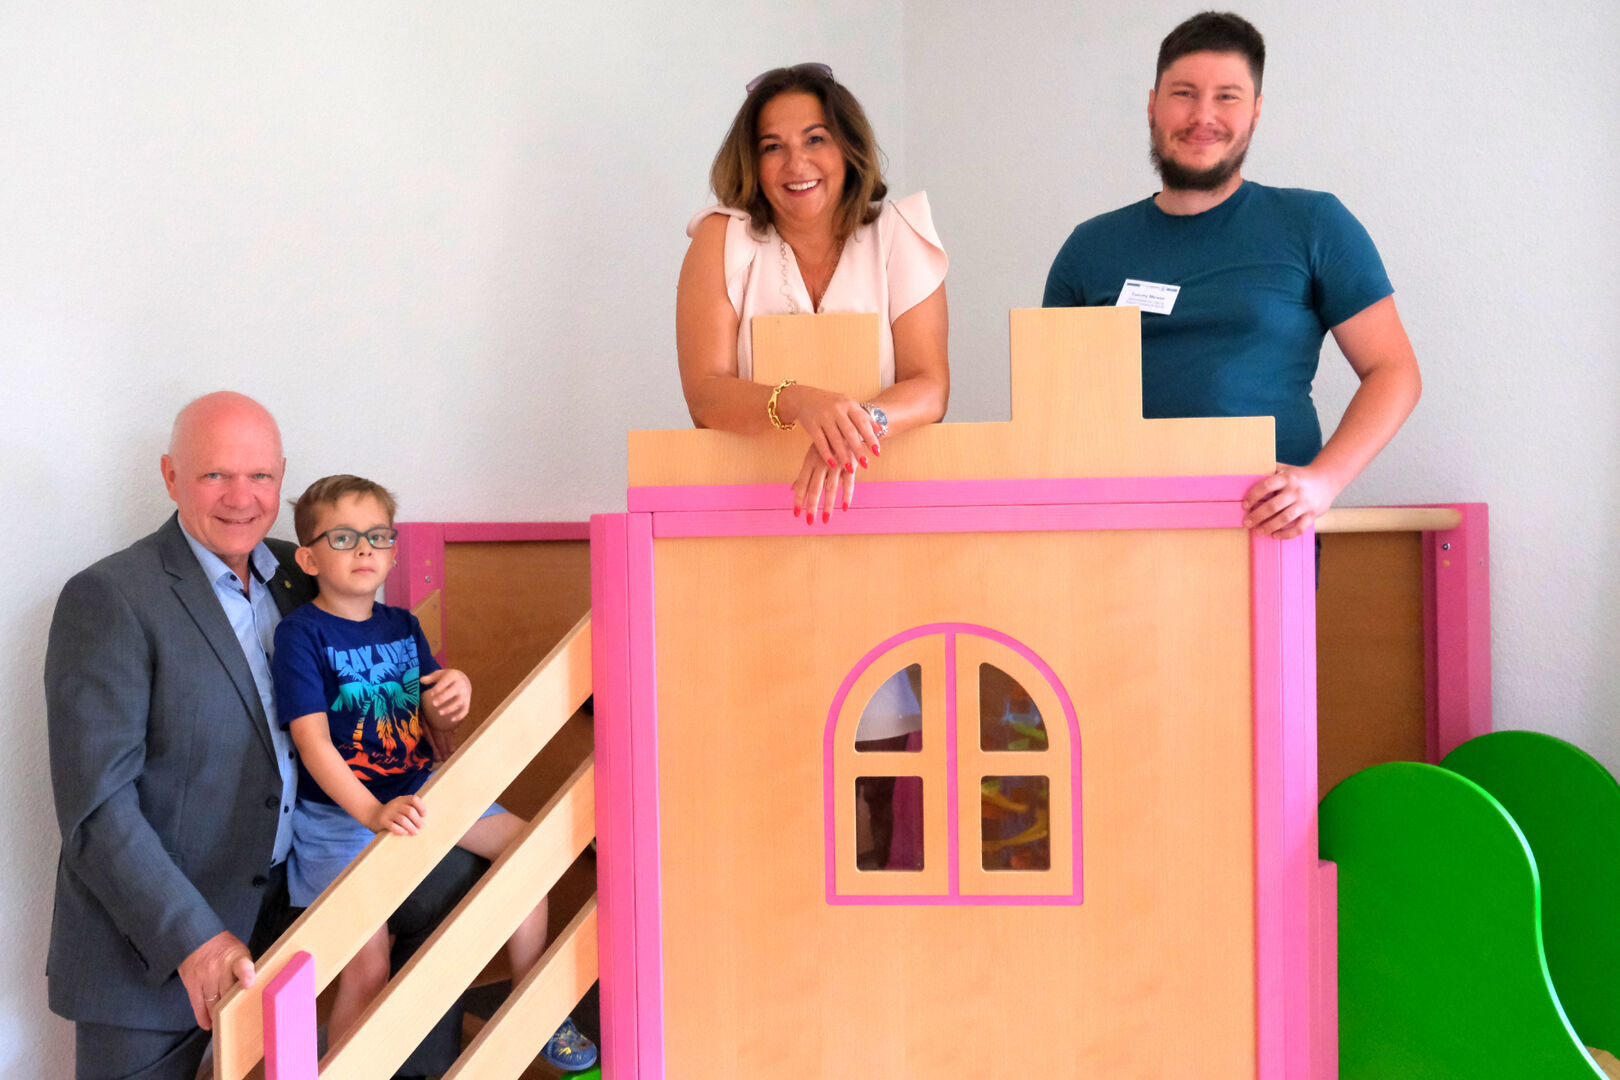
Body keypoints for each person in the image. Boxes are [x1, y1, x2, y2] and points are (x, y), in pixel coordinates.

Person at [43, 392, 483, 1079]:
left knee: (459, 875)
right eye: (215, 474)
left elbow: (372, 679)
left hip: (286, 912)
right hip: (152, 946)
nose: (241, 498)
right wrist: (194, 939)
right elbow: (98, 811)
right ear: (170, 476)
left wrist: (438, 702)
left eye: (261, 476)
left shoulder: (302, 572)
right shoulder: (110, 597)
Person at [1043, 12, 1421, 540]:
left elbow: (1394, 371)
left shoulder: (1313, 224)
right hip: (1116, 536)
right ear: (1152, 105)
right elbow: (1052, 407)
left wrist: (1324, 481)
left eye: (1227, 96)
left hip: (1264, 533)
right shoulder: (1089, 248)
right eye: (1184, 93)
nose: (1203, 115)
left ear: (1256, 112)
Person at [271, 474, 597, 1072]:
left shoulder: (402, 625)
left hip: (419, 789)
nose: (364, 548)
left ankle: (536, 1005)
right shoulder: (302, 634)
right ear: (309, 558)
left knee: (528, 847)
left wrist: (457, 688)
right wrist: (370, 811)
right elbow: (311, 742)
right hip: (339, 818)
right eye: (343, 537)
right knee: (367, 968)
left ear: (393, 551)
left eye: (378, 535)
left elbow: (435, 707)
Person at [676, 62, 951, 524]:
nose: (796, 163)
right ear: (752, 163)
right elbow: (704, 395)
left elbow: (931, 388)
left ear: (848, 146)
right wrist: (799, 402)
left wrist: (851, 432)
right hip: (748, 504)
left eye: (815, 139)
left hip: (885, 499)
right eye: (772, 147)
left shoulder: (899, 231)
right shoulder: (721, 238)